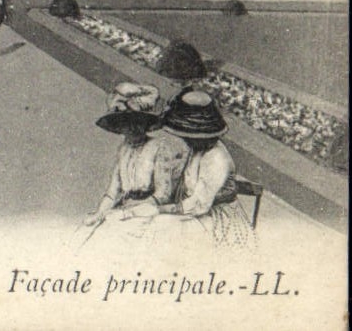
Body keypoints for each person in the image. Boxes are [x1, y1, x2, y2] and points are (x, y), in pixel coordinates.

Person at [151, 89, 253, 246]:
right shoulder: (196, 151)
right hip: (194, 213)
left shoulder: (216, 158)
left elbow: (199, 205)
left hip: (218, 220)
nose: (184, 139)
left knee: (162, 227)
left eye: (187, 135)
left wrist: (160, 210)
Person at [83, 83, 188, 231]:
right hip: (125, 207)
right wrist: (100, 213)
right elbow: (113, 192)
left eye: (138, 122)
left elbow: (163, 194)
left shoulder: (158, 147)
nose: (132, 128)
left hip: (149, 210)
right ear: (120, 127)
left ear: (145, 125)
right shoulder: (123, 150)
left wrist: (133, 211)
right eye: (126, 124)